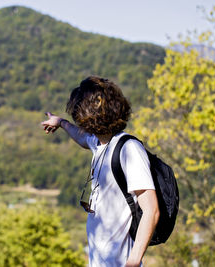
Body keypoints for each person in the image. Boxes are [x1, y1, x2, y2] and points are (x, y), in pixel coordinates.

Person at [41, 76, 160, 267]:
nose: (79, 120)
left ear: (92, 114)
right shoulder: (99, 143)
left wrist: (133, 261)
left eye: (80, 115)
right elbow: (82, 138)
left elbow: (151, 210)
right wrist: (61, 123)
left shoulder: (129, 149)